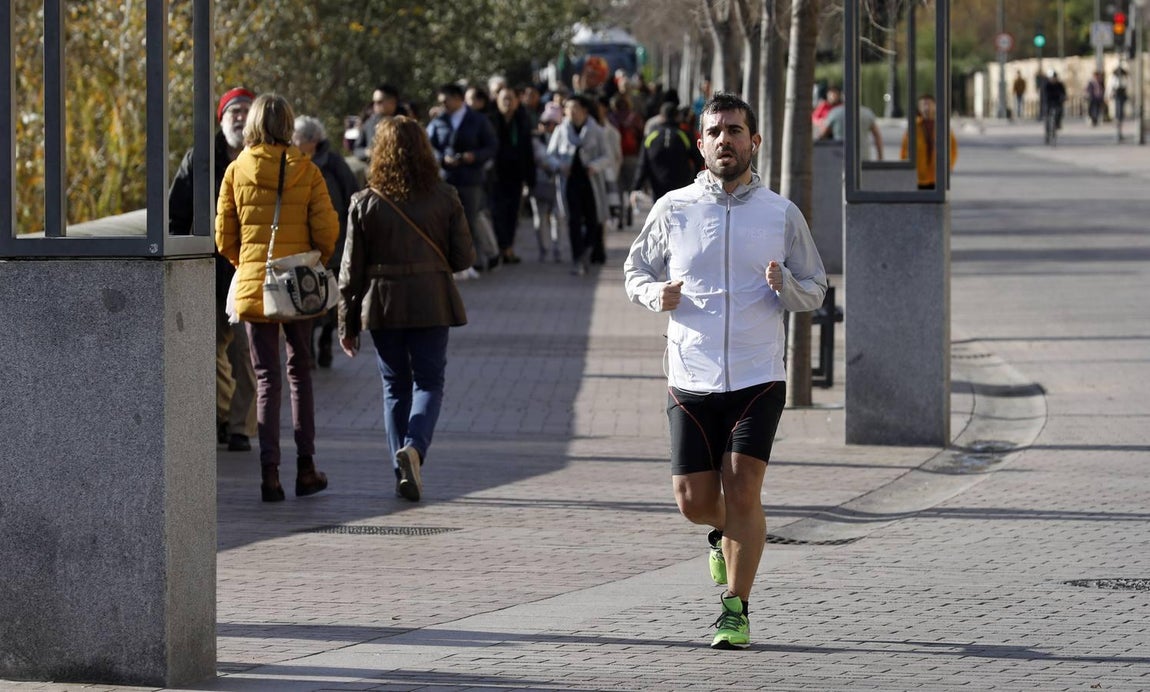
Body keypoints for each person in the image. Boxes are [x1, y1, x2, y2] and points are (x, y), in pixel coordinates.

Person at [624, 93, 827, 650]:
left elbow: (816, 286)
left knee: (744, 490)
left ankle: (735, 609)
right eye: (715, 132)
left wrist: (783, 285)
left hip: (758, 376)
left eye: (736, 131)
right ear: (700, 142)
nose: (725, 140)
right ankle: (722, 534)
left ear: (754, 142)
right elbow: (634, 269)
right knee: (693, 500)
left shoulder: (780, 213)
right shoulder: (674, 208)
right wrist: (652, 293)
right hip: (690, 373)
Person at [338, 116, 475, 502]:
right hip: (432, 299)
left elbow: (350, 272)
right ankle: (414, 450)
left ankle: (401, 467)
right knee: (429, 382)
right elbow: (464, 257)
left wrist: (345, 324)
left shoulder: (365, 202)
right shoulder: (445, 195)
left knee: (394, 386)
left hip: (383, 304)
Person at [215, 93, 339, 502]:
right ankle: (306, 468)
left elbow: (223, 237)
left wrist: (248, 266)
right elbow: (327, 231)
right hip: (297, 283)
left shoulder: (236, 170)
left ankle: (270, 476)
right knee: (298, 374)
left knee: (265, 378)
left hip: (254, 283)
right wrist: (310, 260)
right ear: (288, 125)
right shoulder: (306, 169)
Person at [168, 86, 258, 453]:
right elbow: (177, 211)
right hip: (209, 267)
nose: (239, 117)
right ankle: (220, 415)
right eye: (232, 111)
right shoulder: (200, 159)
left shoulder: (264, 158)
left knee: (246, 356)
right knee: (208, 351)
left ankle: (240, 427)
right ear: (221, 119)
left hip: (251, 268)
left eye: (245, 110)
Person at [293, 115, 361, 368]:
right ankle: (308, 345)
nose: (293, 141)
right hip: (303, 243)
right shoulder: (293, 162)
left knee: (330, 297)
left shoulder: (333, 163)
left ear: (312, 141)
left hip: (334, 240)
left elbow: (352, 196)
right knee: (306, 293)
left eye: (297, 138)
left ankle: (325, 339)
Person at [427, 83, 500, 274]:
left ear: (458, 99)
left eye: (446, 101)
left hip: (471, 178)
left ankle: (472, 261)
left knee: (470, 220)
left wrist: (473, 156)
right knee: (446, 221)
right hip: (446, 178)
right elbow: (428, 145)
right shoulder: (439, 121)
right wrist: (442, 158)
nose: (443, 105)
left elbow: (491, 146)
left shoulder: (478, 120)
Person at [547, 94, 611, 275]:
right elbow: (549, 155)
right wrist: (560, 166)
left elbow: (607, 156)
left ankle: (587, 249)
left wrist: (595, 166)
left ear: (584, 110)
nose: (571, 112)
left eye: (575, 108)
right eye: (568, 108)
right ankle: (578, 257)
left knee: (593, 221)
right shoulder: (561, 131)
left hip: (590, 183)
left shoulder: (597, 130)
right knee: (573, 220)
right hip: (570, 182)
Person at [490, 85, 536, 265]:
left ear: (517, 102)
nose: (507, 102)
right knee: (497, 213)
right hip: (495, 176)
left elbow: (528, 151)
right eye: (504, 99)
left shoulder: (522, 121)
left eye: (511, 98)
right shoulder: (491, 121)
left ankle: (507, 248)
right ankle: (501, 247)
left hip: (516, 175)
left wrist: (530, 178)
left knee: (512, 214)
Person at [630, 102, 703, 204]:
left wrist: (636, 187)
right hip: (680, 189)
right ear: (677, 116)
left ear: (661, 117)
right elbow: (699, 159)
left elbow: (642, 163)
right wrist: (693, 182)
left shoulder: (651, 136)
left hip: (658, 189)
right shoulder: (684, 135)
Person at [530, 102, 566, 263]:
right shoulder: (534, 140)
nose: (548, 126)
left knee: (557, 217)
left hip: (558, 183)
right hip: (538, 182)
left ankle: (557, 249)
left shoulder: (564, 138)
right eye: (545, 123)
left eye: (552, 123)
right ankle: (543, 249)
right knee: (539, 217)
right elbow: (540, 158)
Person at [899, 94, 957, 190]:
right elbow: (904, 149)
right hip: (918, 177)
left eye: (929, 104)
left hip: (937, 176)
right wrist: (906, 168)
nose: (926, 108)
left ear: (935, 106)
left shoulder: (942, 126)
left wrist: (949, 166)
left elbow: (952, 148)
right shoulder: (914, 127)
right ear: (919, 108)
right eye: (923, 105)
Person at [815, 86, 885, 160]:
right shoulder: (867, 113)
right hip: (863, 158)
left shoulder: (835, 113)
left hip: (839, 158)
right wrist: (880, 157)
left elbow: (823, 135)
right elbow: (877, 137)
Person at [354, 84, 400, 160]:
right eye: (373, 102)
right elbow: (357, 149)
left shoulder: (405, 122)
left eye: (379, 102)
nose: (375, 105)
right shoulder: (369, 123)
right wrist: (367, 152)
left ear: (392, 102)